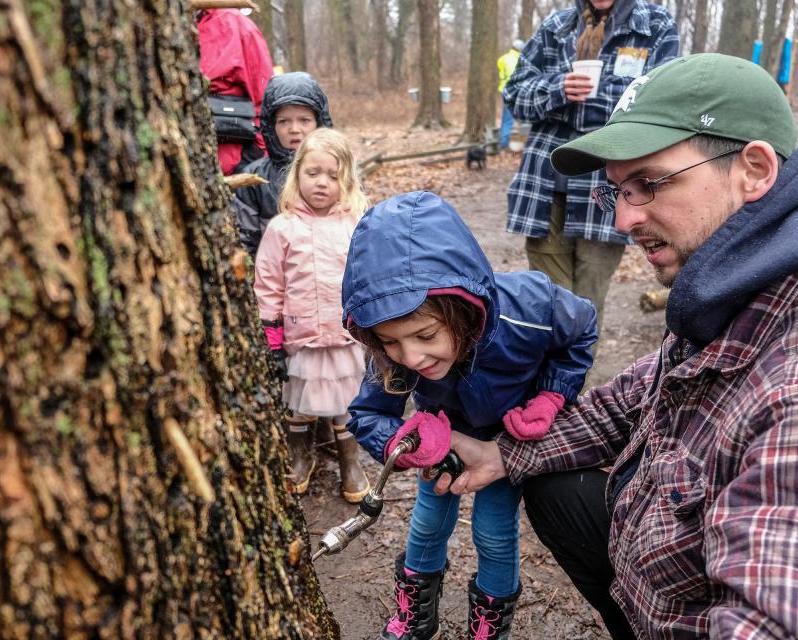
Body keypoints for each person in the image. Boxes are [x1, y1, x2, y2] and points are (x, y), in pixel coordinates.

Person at [437, 53, 798, 638]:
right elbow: (632, 398)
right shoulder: (740, 282)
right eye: (618, 191)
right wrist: (502, 455)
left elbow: (786, 603)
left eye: (648, 184)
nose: (624, 219)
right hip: (663, 565)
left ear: (753, 169)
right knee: (553, 489)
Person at [341, 191, 598, 639]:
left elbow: (581, 330)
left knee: (494, 531)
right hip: (442, 441)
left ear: (462, 309)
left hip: (509, 440)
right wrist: (406, 445)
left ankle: (490, 625)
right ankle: (416, 615)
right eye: (392, 341)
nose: (413, 357)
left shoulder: (529, 307)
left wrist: (550, 399)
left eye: (425, 335)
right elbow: (367, 414)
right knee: (426, 523)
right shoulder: (393, 356)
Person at [504, 0, 678, 340]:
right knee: (547, 306)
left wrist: (602, 98)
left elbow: (665, 102)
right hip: (545, 186)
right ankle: (542, 391)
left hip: (607, 189)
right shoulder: (558, 26)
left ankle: (570, 391)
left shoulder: (654, 25)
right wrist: (557, 89)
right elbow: (514, 95)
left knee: (583, 309)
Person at [253, 128, 371, 503]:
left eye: (333, 176)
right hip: (299, 336)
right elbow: (268, 284)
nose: (322, 183)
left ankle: (350, 462)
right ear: (297, 174)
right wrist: (271, 337)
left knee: (344, 404)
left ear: (346, 180)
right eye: (313, 173)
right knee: (300, 401)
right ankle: (300, 455)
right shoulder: (282, 228)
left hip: (344, 335)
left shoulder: (355, 225)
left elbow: (366, 276)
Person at [235, 72, 333, 255]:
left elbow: (359, 236)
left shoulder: (339, 171)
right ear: (271, 127)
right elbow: (245, 245)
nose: (294, 130)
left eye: (304, 120)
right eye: (284, 121)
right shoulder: (255, 179)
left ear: (319, 123)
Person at [197, 8, 273, 175]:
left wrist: (256, 158)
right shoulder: (154, 25)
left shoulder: (236, 25)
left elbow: (266, 97)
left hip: (236, 166)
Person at [497, 39, 526, 150]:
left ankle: (503, 144)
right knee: (524, 117)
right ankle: (519, 145)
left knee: (507, 119)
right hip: (519, 92)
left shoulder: (503, 58)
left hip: (505, 92)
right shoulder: (522, 59)